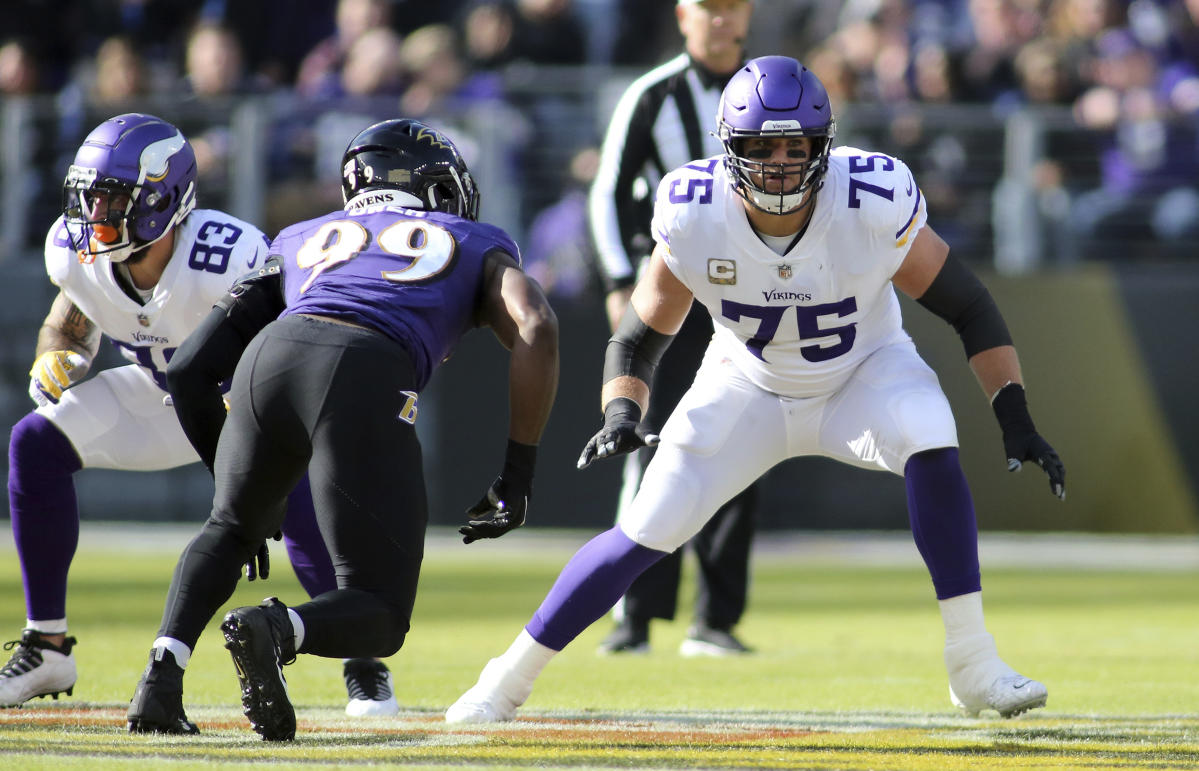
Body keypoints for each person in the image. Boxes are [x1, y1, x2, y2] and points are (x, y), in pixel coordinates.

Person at [446, 55, 1067, 724]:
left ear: (822, 146)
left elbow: (967, 305)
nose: (777, 161)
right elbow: (636, 337)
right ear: (727, 148)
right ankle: (504, 679)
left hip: (864, 371)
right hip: (746, 382)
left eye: (793, 145)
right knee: (645, 528)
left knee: (928, 429)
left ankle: (972, 662)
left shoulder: (871, 196)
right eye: (759, 146)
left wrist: (1015, 413)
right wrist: (622, 408)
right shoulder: (694, 210)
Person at [126, 118, 559, 741]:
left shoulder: (303, 235)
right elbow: (537, 326)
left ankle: (159, 683)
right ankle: (278, 630)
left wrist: (240, 489)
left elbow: (191, 368)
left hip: (266, 361)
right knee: (380, 611)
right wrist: (518, 472)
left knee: (225, 531)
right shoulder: (469, 237)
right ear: (437, 188)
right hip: (363, 368)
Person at [0, 113, 397, 720]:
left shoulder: (228, 254)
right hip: (159, 396)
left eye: (110, 201)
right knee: (34, 442)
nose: (93, 217)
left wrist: (260, 423)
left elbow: (288, 340)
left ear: (161, 201)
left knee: (289, 498)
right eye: (88, 199)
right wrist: (57, 353)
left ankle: (362, 663)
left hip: (243, 400)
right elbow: (71, 315)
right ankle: (47, 644)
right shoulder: (75, 252)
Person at [587, 0, 757, 657]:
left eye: (731, 8)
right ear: (683, 16)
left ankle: (715, 618)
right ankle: (634, 611)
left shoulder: (767, 88)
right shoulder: (652, 94)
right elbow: (608, 190)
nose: (720, 21)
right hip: (673, 293)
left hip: (751, 296)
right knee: (649, 441)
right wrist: (615, 280)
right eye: (708, 8)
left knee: (747, 443)